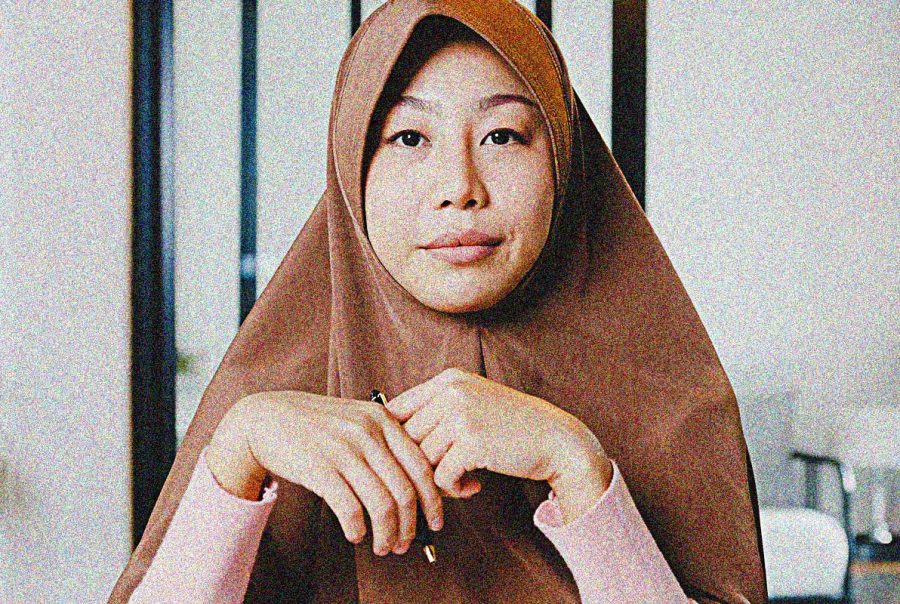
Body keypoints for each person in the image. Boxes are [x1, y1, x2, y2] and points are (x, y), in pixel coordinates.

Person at [109, 1, 767, 603]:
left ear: (564, 160)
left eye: (503, 135)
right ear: (352, 166)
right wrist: (236, 455)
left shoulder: (670, 396)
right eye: (409, 138)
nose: (459, 186)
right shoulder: (266, 404)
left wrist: (575, 464)